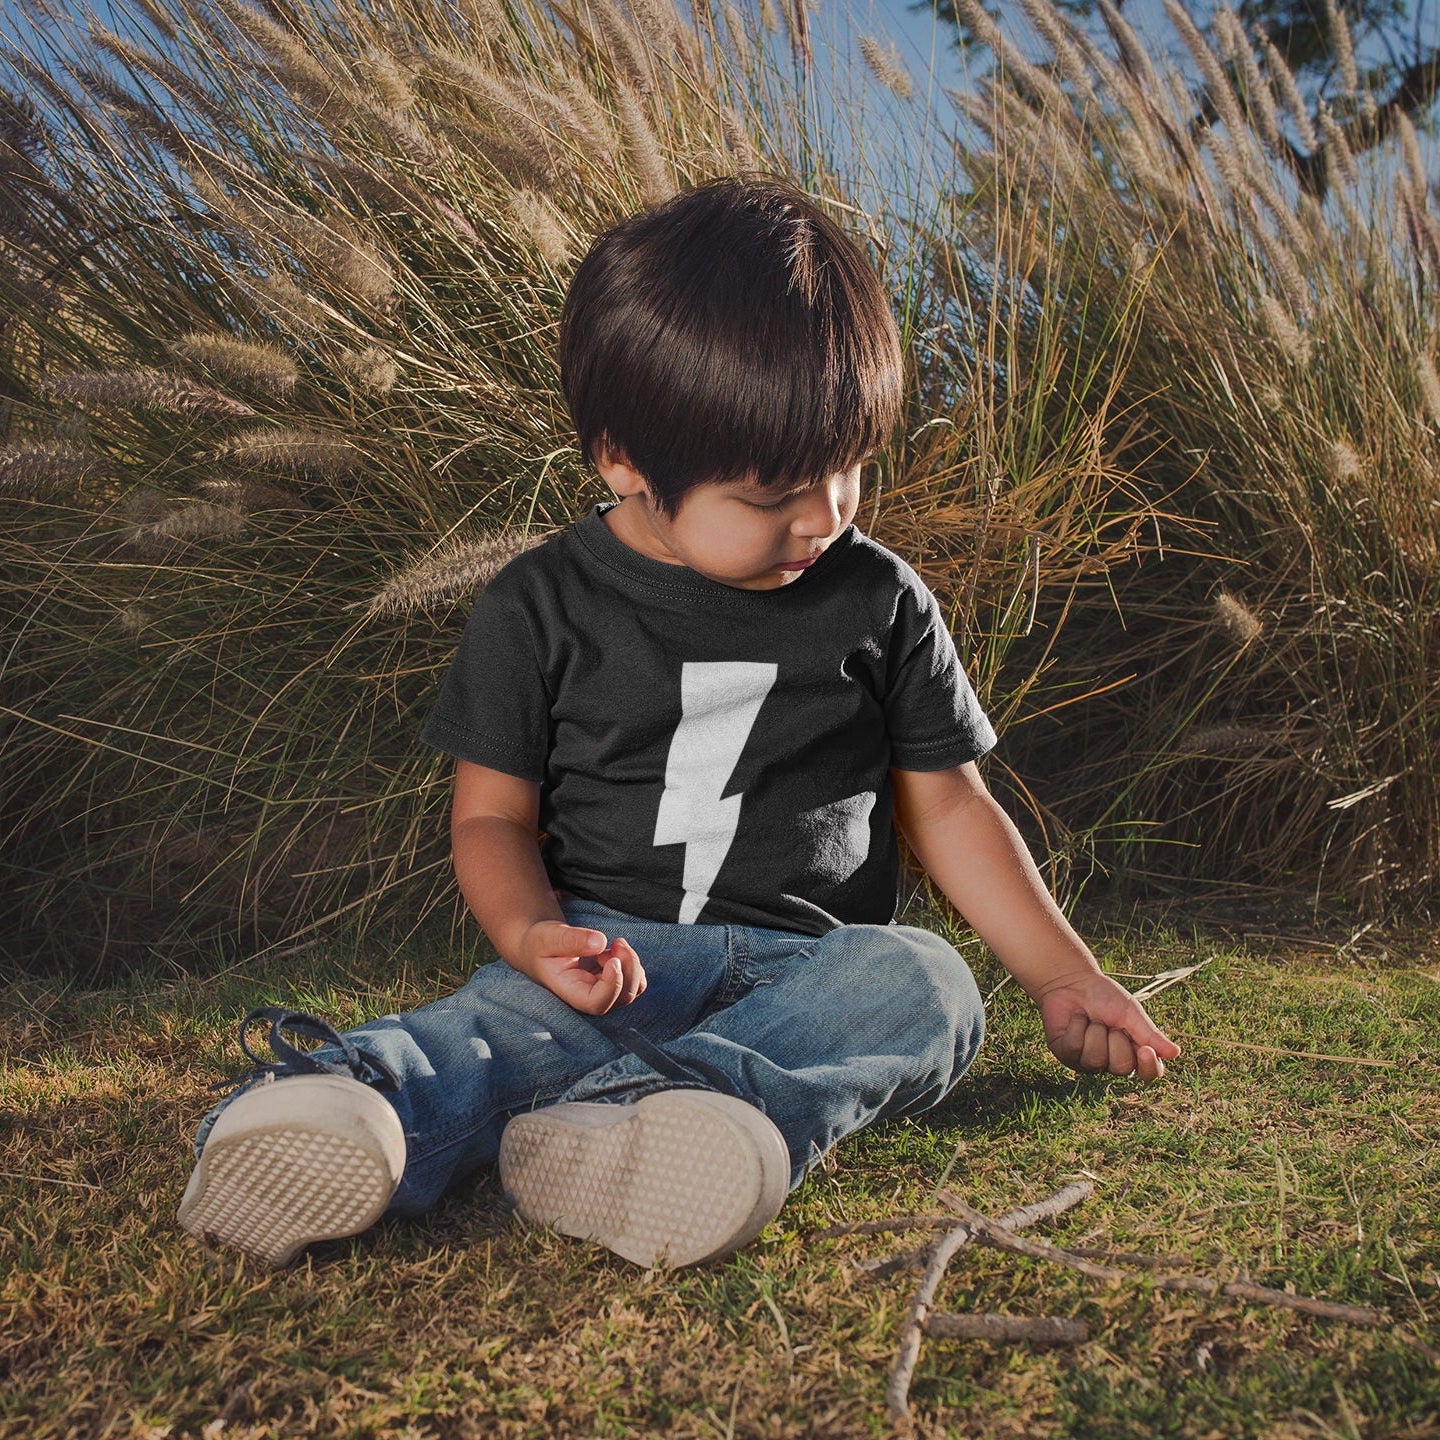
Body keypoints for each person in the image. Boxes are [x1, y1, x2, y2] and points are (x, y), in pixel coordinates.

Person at [178, 176, 1178, 1270]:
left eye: (847, 467)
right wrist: (531, 939)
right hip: (609, 956)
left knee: (927, 987)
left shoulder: (880, 599)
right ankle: (342, 1107)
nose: (825, 515)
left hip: (811, 973)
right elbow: (491, 823)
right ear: (624, 460)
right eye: (770, 497)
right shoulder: (537, 604)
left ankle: (651, 1122)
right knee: (489, 1034)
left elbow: (946, 803)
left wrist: (1062, 974)